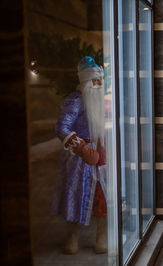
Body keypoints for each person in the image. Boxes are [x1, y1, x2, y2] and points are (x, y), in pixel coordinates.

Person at [54, 56, 107, 254]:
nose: (99, 83)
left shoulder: (104, 101)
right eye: (95, 80)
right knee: (74, 197)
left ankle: (101, 239)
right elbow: (62, 127)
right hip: (79, 159)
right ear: (85, 81)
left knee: (103, 200)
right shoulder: (75, 101)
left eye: (100, 79)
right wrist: (82, 148)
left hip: (101, 157)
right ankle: (72, 238)